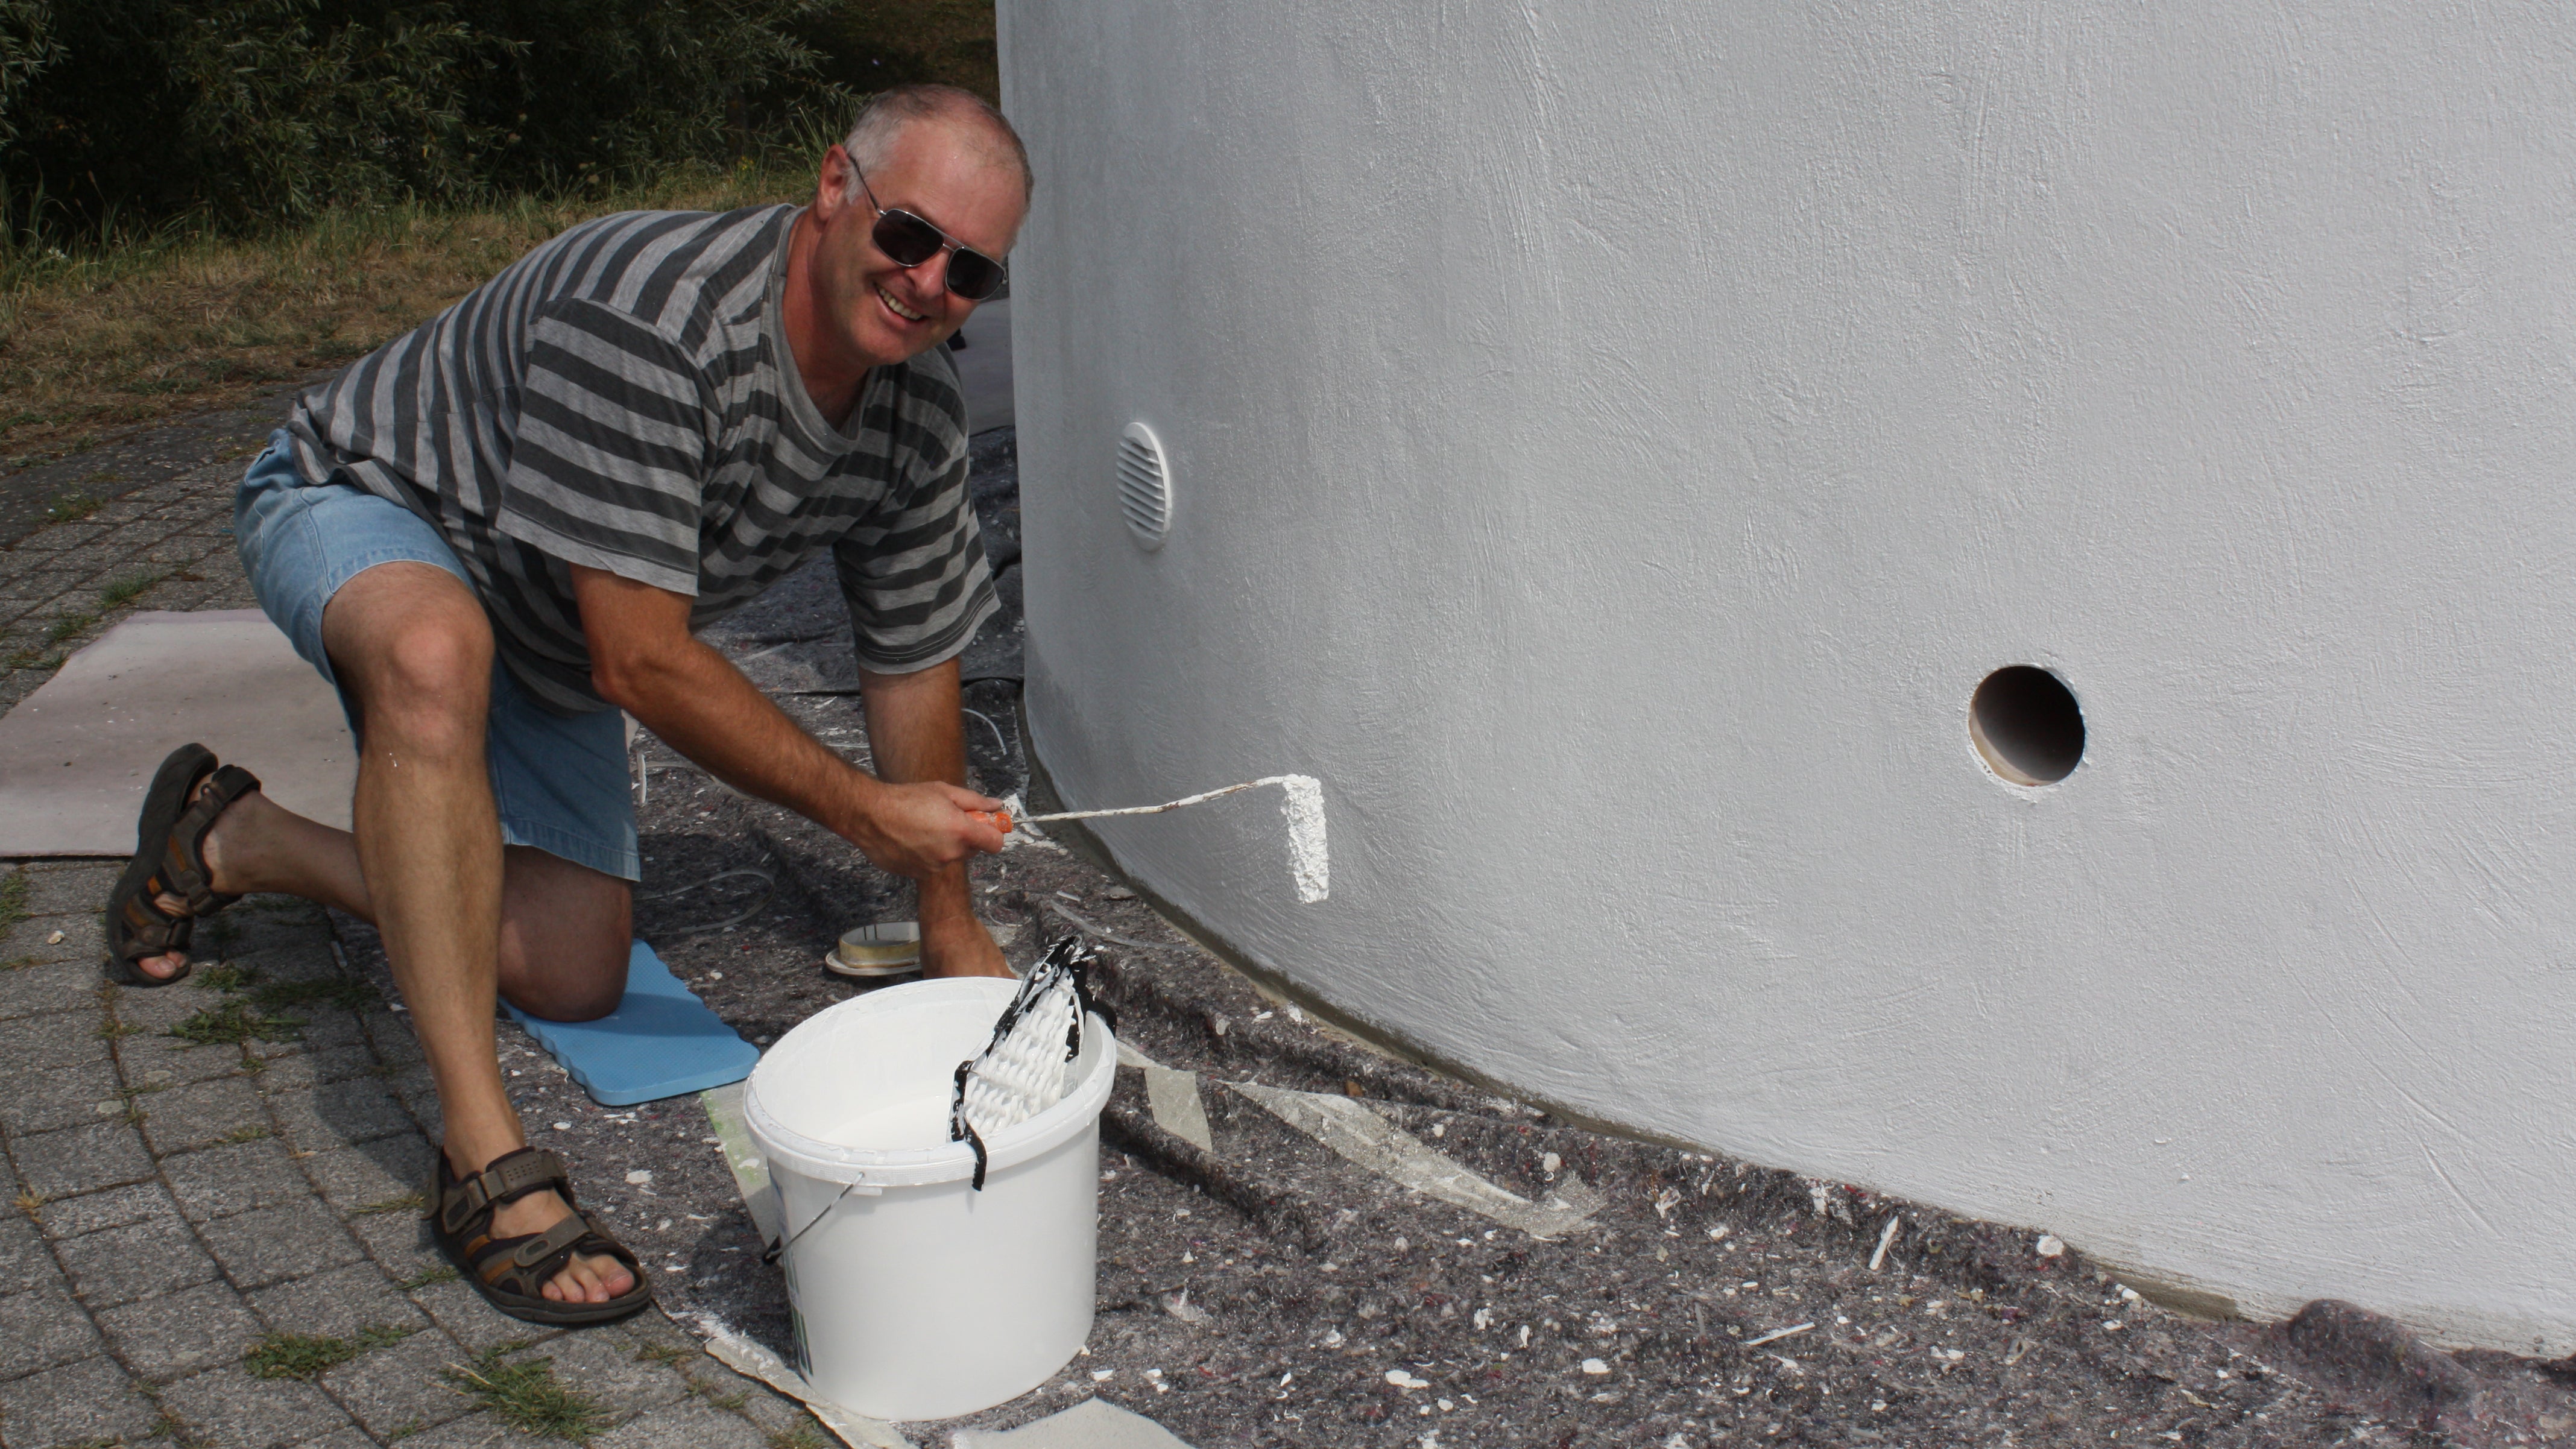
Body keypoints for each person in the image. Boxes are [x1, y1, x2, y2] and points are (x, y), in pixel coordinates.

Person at [98, 83, 1028, 1326]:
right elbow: (639, 663)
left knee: (575, 972)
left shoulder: (914, 414)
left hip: (551, 619)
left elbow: (912, 659)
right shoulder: (657, 319)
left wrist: (948, 919)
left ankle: (235, 836)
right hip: (371, 503)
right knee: (433, 654)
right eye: (909, 234)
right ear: (831, 188)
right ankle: (479, 1155)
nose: (927, 283)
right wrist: (864, 813)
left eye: (970, 270)